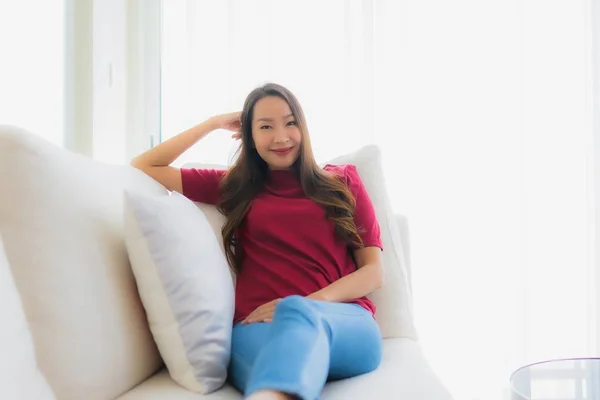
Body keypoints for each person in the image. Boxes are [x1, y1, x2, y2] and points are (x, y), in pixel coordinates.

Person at [131, 83, 383, 400]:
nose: (281, 137)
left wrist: (308, 304)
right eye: (265, 127)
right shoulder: (235, 187)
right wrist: (213, 124)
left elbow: (373, 272)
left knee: (298, 318)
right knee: (277, 370)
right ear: (249, 136)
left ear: (303, 127)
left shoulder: (343, 181)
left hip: (344, 321)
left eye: (291, 123)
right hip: (257, 327)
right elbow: (145, 166)